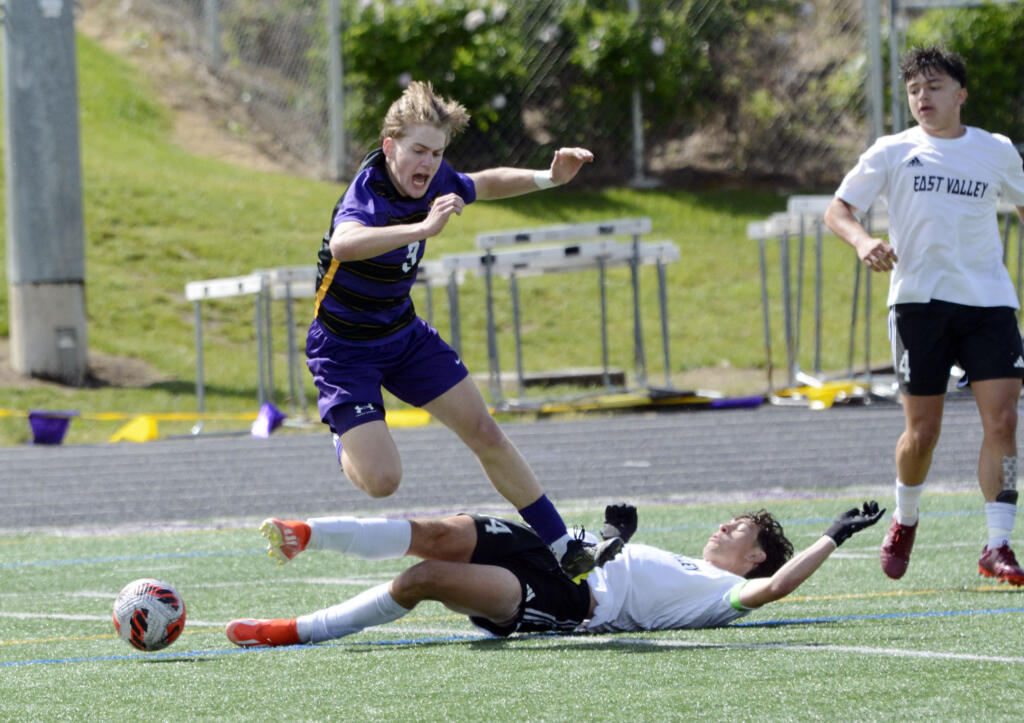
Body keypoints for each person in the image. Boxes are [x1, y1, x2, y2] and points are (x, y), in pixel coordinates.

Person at [306, 79, 612, 580]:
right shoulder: (369, 191)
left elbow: (485, 183)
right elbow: (344, 243)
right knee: (383, 482)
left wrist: (550, 178)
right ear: (390, 148)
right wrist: (423, 230)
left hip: (404, 336)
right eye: (418, 151)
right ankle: (344, 434)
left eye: (437, 152)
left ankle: (562, 545)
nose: (427, 163)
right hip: (344, 352)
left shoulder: (437, 178)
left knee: (484, 430)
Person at [824, 46, 1024, 586]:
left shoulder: (996, 150)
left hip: (989, 304)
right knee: (923, 433)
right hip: (919, 305)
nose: (922, 98)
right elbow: (838, 210)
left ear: (960, 94)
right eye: (914, 90)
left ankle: (999, 542)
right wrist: (863, 241)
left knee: (1004, 423)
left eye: (933, 87)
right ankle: (905, 517)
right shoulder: (892, 151)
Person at [224, 501, 883, 646]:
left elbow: (777, 590)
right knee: (442, 529)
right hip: (562, 550)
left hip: (568, 605)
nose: (724, 526)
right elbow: (605, 557)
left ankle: (294, 630)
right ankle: (310, 532)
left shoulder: (726, 592)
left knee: (423, 578)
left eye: (738, 529)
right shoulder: (681, 561)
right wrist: (616, 535)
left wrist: (833, 534)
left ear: (755, 555)